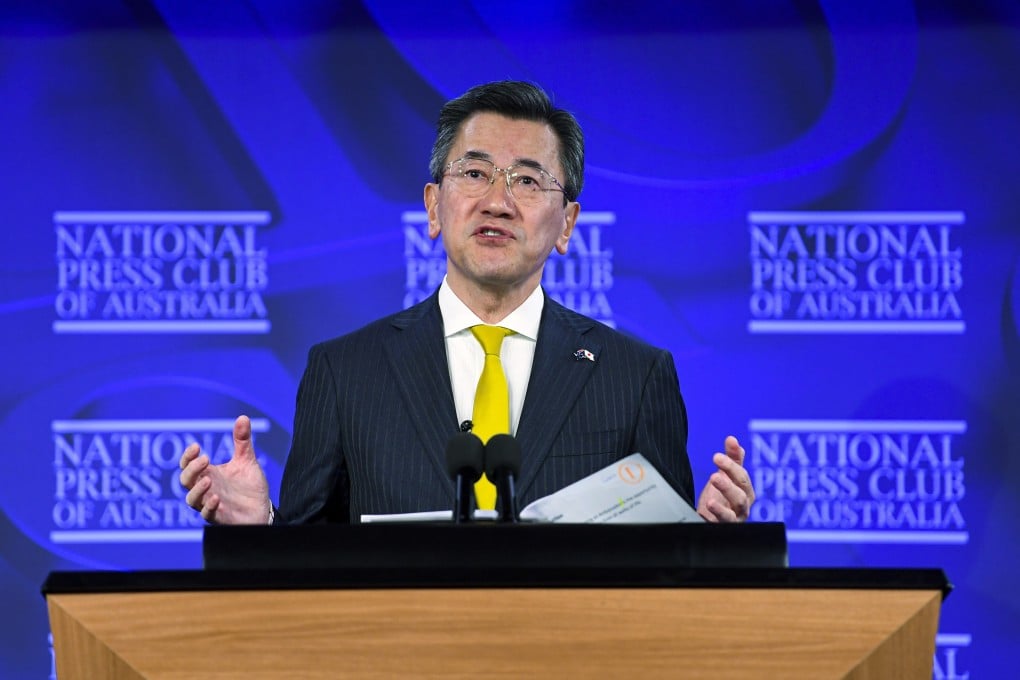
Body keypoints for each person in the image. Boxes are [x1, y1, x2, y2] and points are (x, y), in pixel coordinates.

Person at [179, 80, 755, 525]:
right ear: (433, 207)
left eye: (528, 181)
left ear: (568, 224)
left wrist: (704, 542)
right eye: (475, 172)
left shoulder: (635, 377)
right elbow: (307, 574)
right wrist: (262, 525)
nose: (498, 202)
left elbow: (666, 582)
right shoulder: (345, 372)